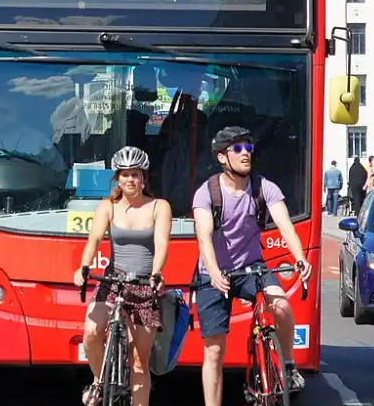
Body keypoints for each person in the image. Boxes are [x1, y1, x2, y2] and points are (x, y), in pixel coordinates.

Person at [192, 127, 312, 406]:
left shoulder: (264, 187)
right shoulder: (207, 192)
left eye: (248, 147)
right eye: (237, 149)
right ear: (223, 157)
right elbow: (203, 237)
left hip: (251, 268)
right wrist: (213, 271)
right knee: (214, 352)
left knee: (281, 305)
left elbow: (286, 226)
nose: (246, 153)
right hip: (213, 272)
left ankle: (289, 366)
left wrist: (299, 258)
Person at [76, 146, 171, 406]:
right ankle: (98, 381)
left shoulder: (159, 207)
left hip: (143, 283)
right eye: (125, 174)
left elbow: (162, 244)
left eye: (136, 174)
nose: (131, 179)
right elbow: (94, 239)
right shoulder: (108, 207)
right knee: (91, 333)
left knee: (139, 360)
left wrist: (155, 273)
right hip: (113, 281)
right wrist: (84, 267)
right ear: (117, 178)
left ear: (143, 178)